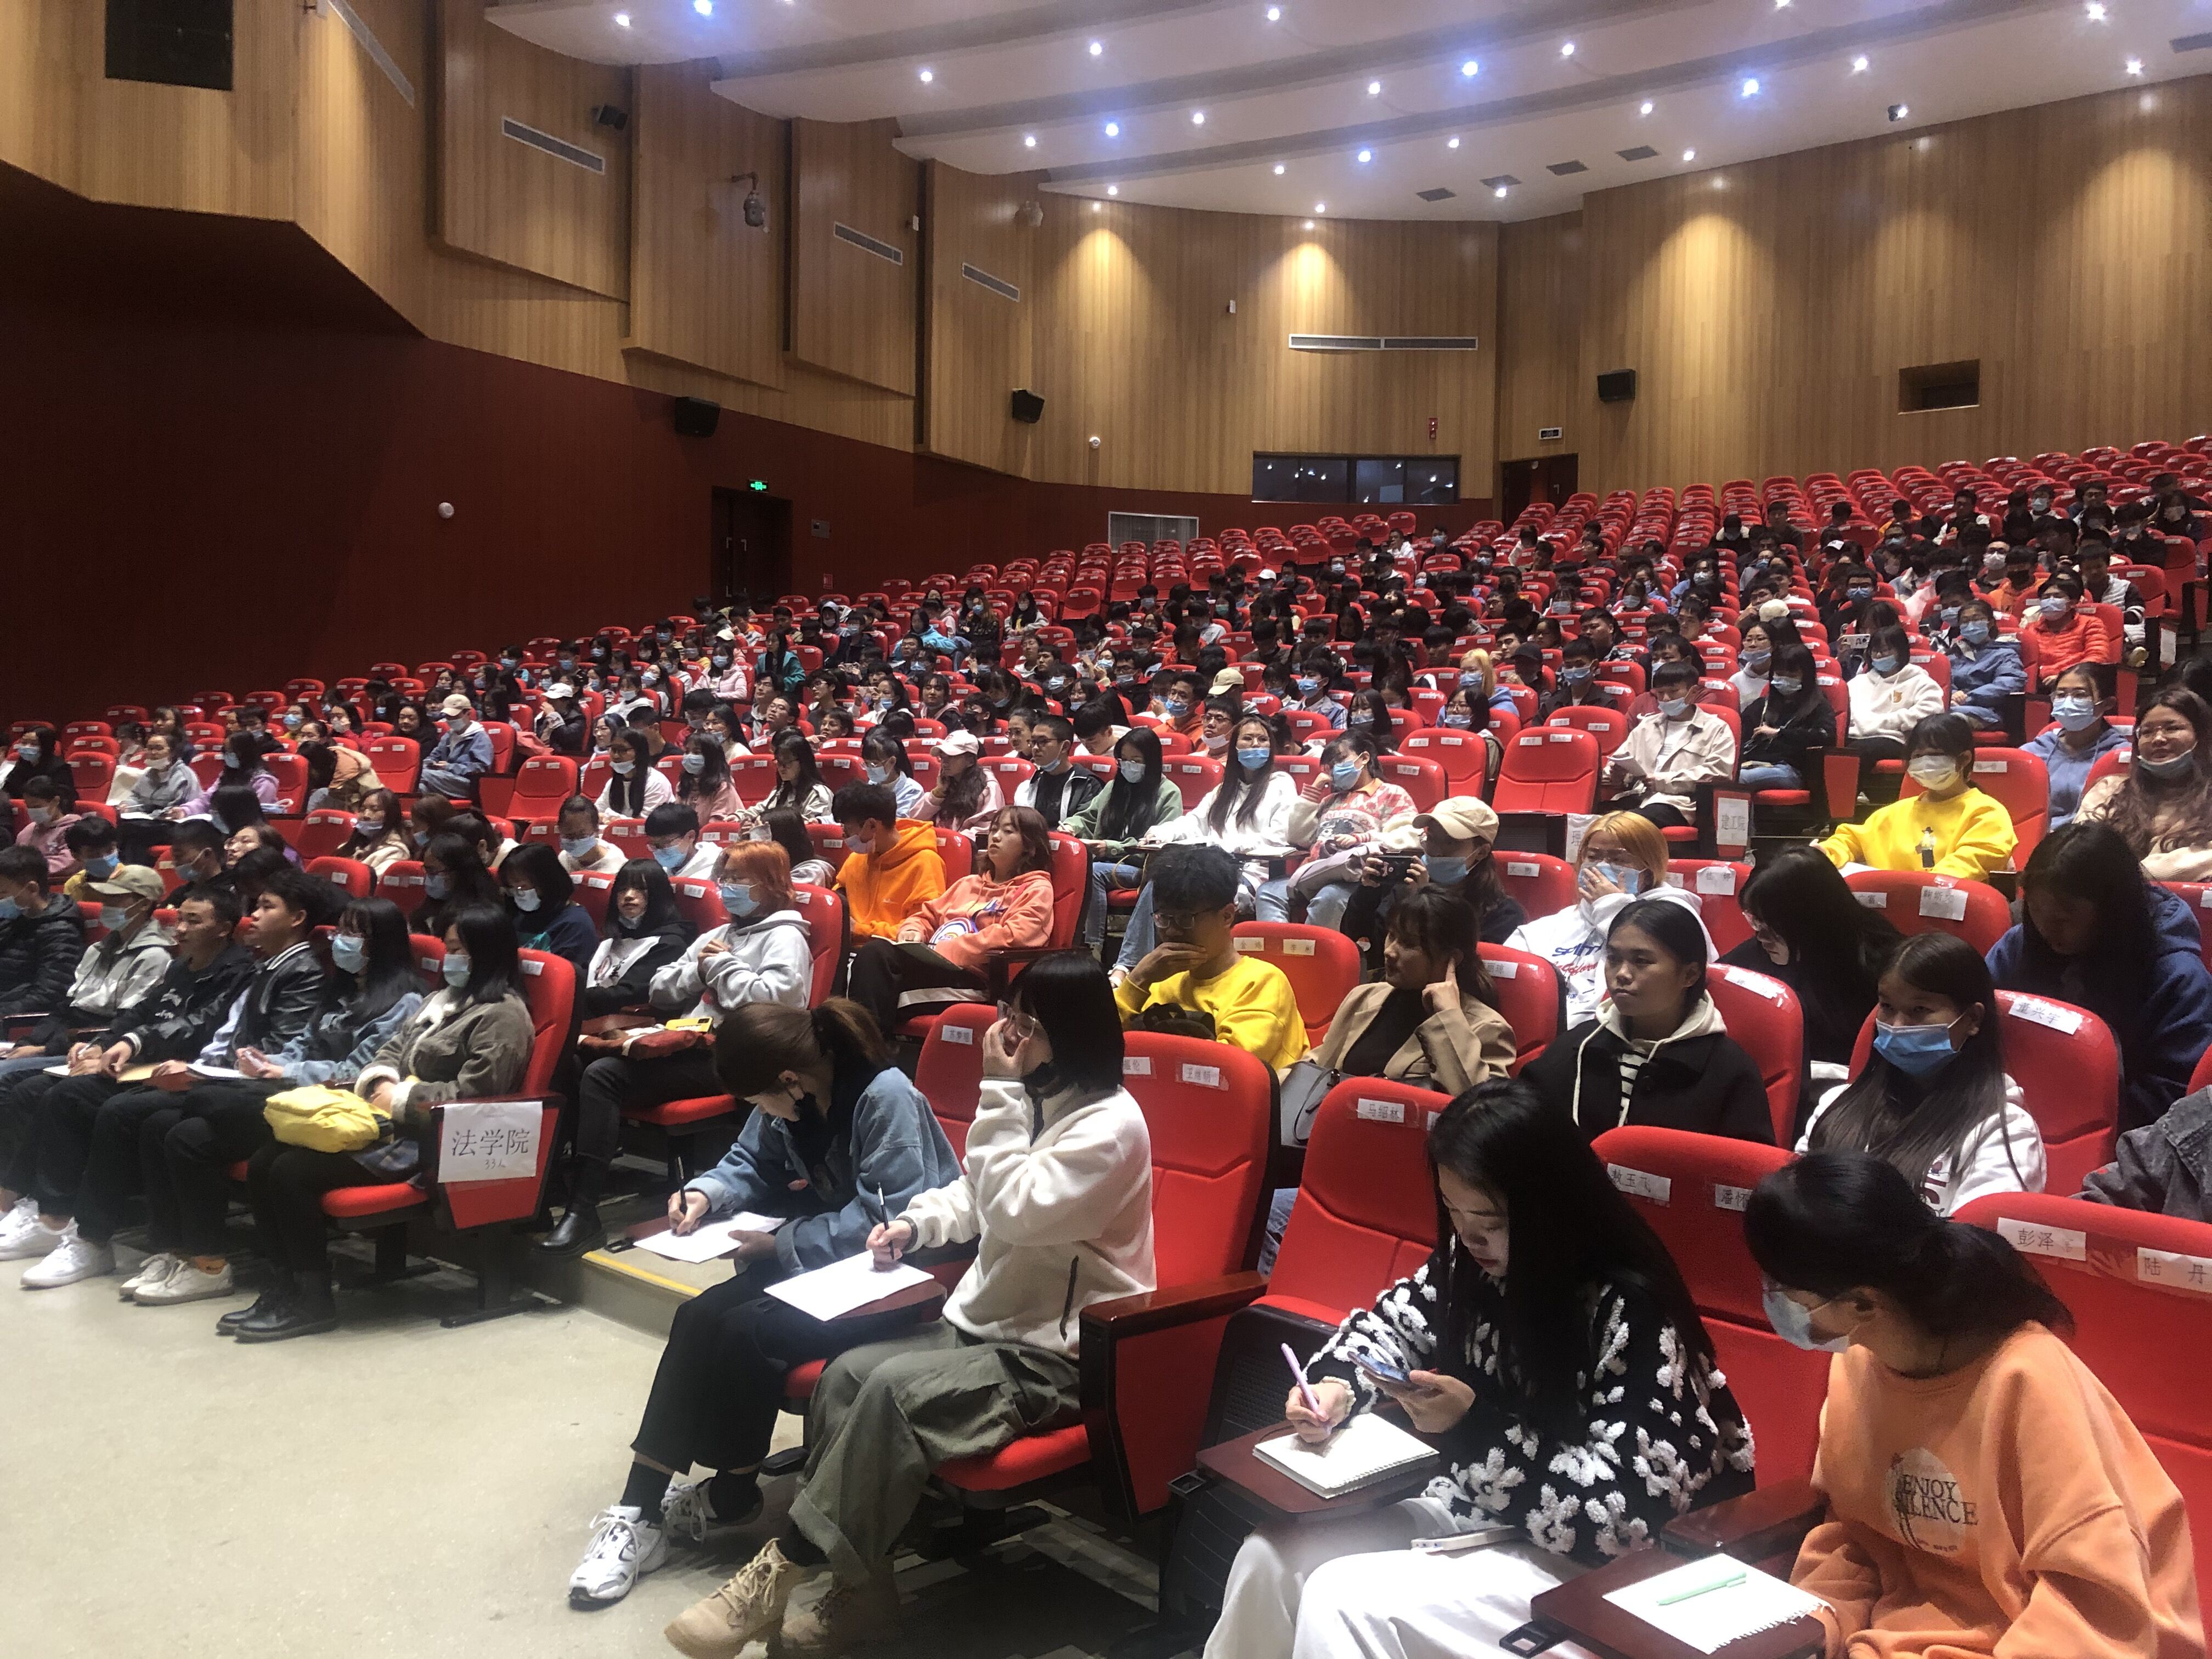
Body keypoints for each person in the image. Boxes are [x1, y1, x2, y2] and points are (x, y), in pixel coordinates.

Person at [661, 953, 1154, 1658]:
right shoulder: (1041, 1099)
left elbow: (1013, 1211)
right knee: (846, 1376)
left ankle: (779, 1569)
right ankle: (865, 1595)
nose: (1009, 1035)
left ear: (1071, 1033)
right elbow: (976, 1192)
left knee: (892, 1391)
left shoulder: (1110, 1126)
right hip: (985, 1325)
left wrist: (998, 1091)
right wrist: (916, 1225)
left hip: (1059, 1356)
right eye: (1009, 1015)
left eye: (1028, 1024)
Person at [1205, 1081, 1755, 1659]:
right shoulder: (1468, 1264)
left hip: (1603, 1568)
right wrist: (1337, 1385)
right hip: (1479, 1513)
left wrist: (1471, 1427)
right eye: (1453, 1211)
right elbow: (1388, 1327)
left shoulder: (1632, 1308)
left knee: (1343, 1601)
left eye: (1490, 1219)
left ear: (1549, 1207)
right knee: (1271, 1558)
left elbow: (1622, 1519)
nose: (1469, 1237)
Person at [568, 998, 964, 1607]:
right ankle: (638, 1509)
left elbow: (886, 1218)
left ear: (788, 1080)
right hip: (830, 1261)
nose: (760, 1111)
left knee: (746, 1331)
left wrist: (782, 1244)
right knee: (699, 1316)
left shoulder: (884, 1097)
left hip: (901, 1271)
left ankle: (730, 1494)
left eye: (759, 1099)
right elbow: (750, 1160)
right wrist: (706, 1193)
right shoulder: (793, 1095)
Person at [1745, 1153, 2201, 1657]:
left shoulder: (2027, 1380)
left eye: (1782, 1291)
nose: (1772, 1302)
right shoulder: (1857, 1365)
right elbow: (1853, 1541)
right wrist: (1813, 1630)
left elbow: (2095, 1614)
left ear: (1862, 1304)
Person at [238, 906, 537, 1339]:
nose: (449, 959)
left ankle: (313, 1300)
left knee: (291, 1172)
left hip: (431, 1139)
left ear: (487, 954)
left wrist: (400, 1099)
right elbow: (391, 1050)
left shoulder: (502, 1015)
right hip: (383, 1122)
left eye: (459, 950)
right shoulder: (441, 1000)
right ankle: (285, 1286)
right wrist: (380, 1081)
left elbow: (478, 1096)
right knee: (266, 1160)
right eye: (449, 948)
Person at [17, 870, 325, 1290]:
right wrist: (122, 1041)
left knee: (122, 1111)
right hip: (212, 1072)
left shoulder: (297, 971)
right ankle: (157, 1245)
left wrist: (198, 1069)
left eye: (266, 907)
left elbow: (269, 1053)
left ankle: (92, 1239)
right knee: (73, 1096)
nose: (253, 915)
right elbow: (203, 1026)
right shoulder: (263, 965)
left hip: (247, 1088)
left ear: (297, 918)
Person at [125, 894, 424, 1309]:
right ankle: (179, 1252)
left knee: (191, 1125)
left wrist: (285, 1072)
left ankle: (208, 1265)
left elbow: (359, 1069)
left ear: (382, 943)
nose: (340, 940)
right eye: (340, 931)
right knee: (166, 1127)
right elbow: (304, 1042)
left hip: (333, 1107)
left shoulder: (405, 1002)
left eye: (353, 934)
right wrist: (271, 1062)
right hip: (291, 1094)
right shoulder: (340, 988)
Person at [544, 840, 812, 1255]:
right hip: (687, 1042)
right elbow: (660, 987)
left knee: (604, 1075)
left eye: (739, 879)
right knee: (574, 1061)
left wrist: (722, 966)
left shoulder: (786, 937)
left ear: (770, 884)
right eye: (724, 878)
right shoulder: (718, 934)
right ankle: (553, 1189)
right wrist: (699, 970)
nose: (727, 887)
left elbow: (780, 1003)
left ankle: (583, 1212)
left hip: (735, 1056)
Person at [0, 883, 251, 1264]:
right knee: (33, 1089)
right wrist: (100, 1043)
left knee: (71, 1097)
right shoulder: (180, 965)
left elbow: (201, 1025)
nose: (181, 929)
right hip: (138, 1059)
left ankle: (72, 1226)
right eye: (180, 920)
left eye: (193, 921)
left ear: (224, 929)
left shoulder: (238, 972)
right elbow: (139, 1013)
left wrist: (134, 1043)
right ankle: (29, 1204)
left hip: (177, 1067)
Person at [1988, 821, 2212, 1135]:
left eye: (2063, 918)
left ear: (2111, 911)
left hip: (2120, 1132)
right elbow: (1979, 1018)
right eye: (2036, 911)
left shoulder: (2178, 977)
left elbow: (2174, 1094)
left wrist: (2073, 1117)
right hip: (2014, 1111)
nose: (2046, 929)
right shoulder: (2020, 944)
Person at [1796, 932, 2043, 1211]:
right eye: (1887, 1007)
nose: (1897, 1026)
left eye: (1919, 1009)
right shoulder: (1837, 1104)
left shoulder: (2004, 1132)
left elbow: (1978, 1235)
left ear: (1972, 1019)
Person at [1522, 898, 1775, 1144]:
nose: (1622, 974)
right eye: (1613, 959)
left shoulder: (1730, 1071)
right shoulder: (1578, 1046)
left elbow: (1747, 1167)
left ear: (1690, 975)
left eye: (1641, 961)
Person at [845, 806, 1057, 1035]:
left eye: (1008, 832)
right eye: (994, 829)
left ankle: (866, 1051)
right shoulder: (968, 884)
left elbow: (1015, 937)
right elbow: (927, 916)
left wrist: (946, 950)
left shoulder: (1037, 889)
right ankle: (867, 1050)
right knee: (874, 954)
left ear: (1030, 847)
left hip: (974, 979)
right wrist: (913, 930)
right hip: (931, 965)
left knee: (876, 988)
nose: (996, 837)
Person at [1113, 714, 1297, 972]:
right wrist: (1164, 832)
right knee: (1159, 884)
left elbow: (1278, 836)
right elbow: (1193, 822)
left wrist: (1229, 845)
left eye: (1262, 739)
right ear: (1235, 747)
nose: (1255, 744)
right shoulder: (1225, 789)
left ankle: (1183, 968)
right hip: (1209, 866)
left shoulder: (1281, 785)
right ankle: (1128, 967)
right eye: (1248, 739)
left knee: (1193, 895)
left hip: (1252, 870)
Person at [1504, 811, 1712, 1025]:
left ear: (1648, 869)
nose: (1601, 868)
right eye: (1593, 857)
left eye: (1618, 860)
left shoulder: (1677, 913)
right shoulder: (1553, 925)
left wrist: (1611, 906)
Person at [1111, 845, 1305, 1071]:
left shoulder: (1263, 982)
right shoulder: (1158, 978)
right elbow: (1100, 1044)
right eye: (1164, 918)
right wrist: (1137, 980)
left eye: (1186, 919)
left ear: (1227, 916)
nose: (1172, 931)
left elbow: (1227, 1072)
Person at [1307, 887, 1516, 1095]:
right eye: (1392, 936)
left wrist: (1448, 1018)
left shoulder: (1488, 1028)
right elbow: (1319, 1064)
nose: (1389, 951)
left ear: (1451, 958)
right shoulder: (1363, 997)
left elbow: (1482, 1105)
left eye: (1408, 943)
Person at [1723, 844, 1900, 1076]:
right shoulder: (1759, 950)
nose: (1761, 936)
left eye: (1774, 926)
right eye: (1755, 921)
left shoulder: (1878, 965)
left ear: (1811, 922)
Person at [1819, 713, 2017, 879]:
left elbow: (1968, 865)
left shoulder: (1986, 813)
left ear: (1964, 759)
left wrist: (1911, 889)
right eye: (1917, 756)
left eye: (1935, 754)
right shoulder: (1894, 812)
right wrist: (1826, 853)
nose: (1925, 762)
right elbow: (1850, 839)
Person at [1340, 796, 1526, 971]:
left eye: (1450, 843)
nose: (1436, 851)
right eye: (1432, 839)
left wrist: (1427, 903)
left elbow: (1464, 968)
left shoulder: (1504, 913)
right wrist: (1367, 894)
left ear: (1481, 852)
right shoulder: (1403, 889)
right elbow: (1365, 948)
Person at [1266, 732, 1418, 929]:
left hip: (1356, 878)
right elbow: (1298, 837)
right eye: (1331, 766)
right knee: (1268, 892)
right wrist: (1314, 791)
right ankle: (1280, 945)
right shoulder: (1329, 800)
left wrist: (1364, 839)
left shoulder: (1392, 793)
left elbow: (1409, 837)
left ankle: (1312, 948)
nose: (1335, 769)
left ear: (1364, 758)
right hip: (1313, 873)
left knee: (1329, 897)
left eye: (1340, 760)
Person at [2076, 686, 2212, 879]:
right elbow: (2080, 854)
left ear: (2202, 735)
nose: (2158, 739)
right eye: (2147, 732)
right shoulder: (2109, 790)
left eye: (2172, 728)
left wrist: (2131, 875)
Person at [1603, 658, 1738, 827]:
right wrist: (1617, 775)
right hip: (1638, 796)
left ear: (1693, 692)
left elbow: (1719, 773)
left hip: (1679, 803)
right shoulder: (1647, 725)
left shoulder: (1716, 728)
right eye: (1661, 693)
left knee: (1626, 825)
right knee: (1594, 820)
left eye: (1673, 692)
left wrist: (1664, 781)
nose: (1666, 699)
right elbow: (1620, 759)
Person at [831, 781, 948, 943]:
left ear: (872, 825)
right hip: (847, 947)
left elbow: (921, 927)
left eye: (848, 829)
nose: (844, 835)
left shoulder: (925, 862)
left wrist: (859, 930)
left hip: (890, 951)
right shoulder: (856, 858)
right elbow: (838, 901)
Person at [577, 858, 693, 1019]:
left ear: (658, 894)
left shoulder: (670, 944)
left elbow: (627, 995)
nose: (629, 896)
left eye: (640, 889)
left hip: (623, 1021)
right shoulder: (612, 939)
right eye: (622, 889)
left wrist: (573, 997)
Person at [1846, 623, 1945, 786]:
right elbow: (1843, 712)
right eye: (1875, 651)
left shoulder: (1921, 681)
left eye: (1885, 650)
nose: (1879, 655)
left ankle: (1840, 802)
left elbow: (1932, 712)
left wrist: (1891, 721)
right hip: (1854, 736)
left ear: (1901, 651)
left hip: (1896, 739)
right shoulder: (1858, 682)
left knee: (1855, 754)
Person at [1733, 642, 1835, 792]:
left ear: (1806, 676)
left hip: (1791, 770)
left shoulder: (1818, 706)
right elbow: (1740, 734)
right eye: (1780, 674)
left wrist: (1780, 733)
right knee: (1723, 774)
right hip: (1753, 763)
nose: (1784, 679)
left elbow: (1826, 737)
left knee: (1738, 779)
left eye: (1792, 675)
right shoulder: (1762, 705)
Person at [0, 843, 85, 1018]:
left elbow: (48, 996)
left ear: (32, 889)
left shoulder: (62, 932)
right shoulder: (13, 917)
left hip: (16, 1019)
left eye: (2, 894)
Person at [501, 842, 598, 978]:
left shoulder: (576, 926)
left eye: (521, 888)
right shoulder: (518, 914)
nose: (516, 895)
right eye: (511, 888)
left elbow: (561, 978)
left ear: (546, 883)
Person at [115, 730, 201, 860]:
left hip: (175, 824)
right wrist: (127, 805)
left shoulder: (184, 776)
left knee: (132, 832)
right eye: (150, 749)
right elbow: (137, 797)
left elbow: (178, 807)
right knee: (125, 828)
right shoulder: (149, 773)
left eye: (159, 748)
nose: (153, 753)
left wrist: (153, 815)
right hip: (150, 821)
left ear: (173, 752)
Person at [1945, 596, 2025, 732]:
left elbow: (2008, 684)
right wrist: (1952, 694)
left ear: (1990, 623)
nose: (1971, 625)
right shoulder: (1953, 654)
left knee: (1947, 722)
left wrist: (1968, 697)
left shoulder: (2005, 654)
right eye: (1965, 621)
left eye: (1976, 619)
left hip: (1988, 712)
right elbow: (1944, 681)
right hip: (1952, 706)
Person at [2021, 572, 2112, 691]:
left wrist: (2064, 677)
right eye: (2046, 597)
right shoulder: (2030, 629)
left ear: (2072, 603)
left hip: (2077, 684)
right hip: (2037, 685)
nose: (2050, 601)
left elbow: (2097, 657)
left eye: (2057, 596)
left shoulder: (2091, 624)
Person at [1013, 714, 1103, 830]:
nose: (1035, 748)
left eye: (1043, 741)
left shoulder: (1087, 784)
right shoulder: (1029, 785)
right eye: (1033, 742)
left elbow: (1086, 826)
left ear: (1065, 747)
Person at [912, 729, 1005, 834]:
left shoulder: (988, 786)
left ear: (970, 761)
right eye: (943, 757)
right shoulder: (946, 784)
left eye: (951, 757)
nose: (945, 762)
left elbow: (987, 829)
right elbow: (914, 820)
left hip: (967, 842)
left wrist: (954, 839)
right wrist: (938, 793)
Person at [414, 831, 503, 937]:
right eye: (426, 870)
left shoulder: (482, 917)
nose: (428, 877)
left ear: (459, 872)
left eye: (432, 871)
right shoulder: (428, 907)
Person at [746, 730, 833, 826]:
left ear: (803, 762)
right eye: (779, 762)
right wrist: (739, 817)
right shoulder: (781, 790)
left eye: (787, 763)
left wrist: (764, 822)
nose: (781, 768)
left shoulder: (819, 793)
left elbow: (809, 825)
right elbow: (761, 809)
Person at [419, 693, 494, 802]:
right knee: (420, 787)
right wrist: (429, 763)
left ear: (468, 713)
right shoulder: (449, 735)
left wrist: (449, 767)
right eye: (448, 716)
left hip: (465, 783)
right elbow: (434, 756)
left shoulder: (480, 738)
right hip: (442, 777)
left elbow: (480, 768)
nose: (450, 720)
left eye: (455, 716)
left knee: (421, 775)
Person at [12, 778, 82, 878]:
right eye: (29, 807)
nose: (32, 811)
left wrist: (26, 870)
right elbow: (14, 857)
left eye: (37, 807)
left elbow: (69, 863)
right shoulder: (28, 831)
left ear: (55, 801)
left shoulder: (75, 829)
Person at [334, 787, 412, 877]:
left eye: (374, 810)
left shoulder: (396, 852)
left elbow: (372, 883)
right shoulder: (346, 847)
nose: (366, 815)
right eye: (362, 810)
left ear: (390, 815)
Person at [598, 727, 672, 821]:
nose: (616, 755)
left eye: (623, 750)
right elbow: (598, 813)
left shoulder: (656, 782)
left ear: (639, 753)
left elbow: (646, 824)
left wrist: (614, 819)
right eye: (614, 749)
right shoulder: (611, 783)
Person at [756, 804, 835, 889]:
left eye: (762, 835)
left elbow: (781, 893)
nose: (753, 841)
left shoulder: (812, 871)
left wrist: (760, 846)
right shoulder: (778, 866)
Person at [674, 735, 746, 827]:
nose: (689, 756)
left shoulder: (723, 787)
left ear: (711, 757)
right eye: (687, 752)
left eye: (697, 752)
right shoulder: (683, 784)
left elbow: (717, 825)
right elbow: (677, 819)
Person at [857, 726, 924, 817]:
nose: (869, 768)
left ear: (892, 761)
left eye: (874, 764)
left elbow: (899, 821)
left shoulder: (912, 790)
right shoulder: (871, 785)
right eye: (866, 764)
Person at [644, 802, 719, 880]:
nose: (660, 851)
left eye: (665, 844)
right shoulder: (661, 871)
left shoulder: (714, 873)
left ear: (690, 837)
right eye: (654, 845)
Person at [556, 796, 626, 874]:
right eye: (569, 836)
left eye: (582, 836)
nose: (575, 841)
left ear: (596, 830)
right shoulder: (564, 859)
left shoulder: (616, 867)